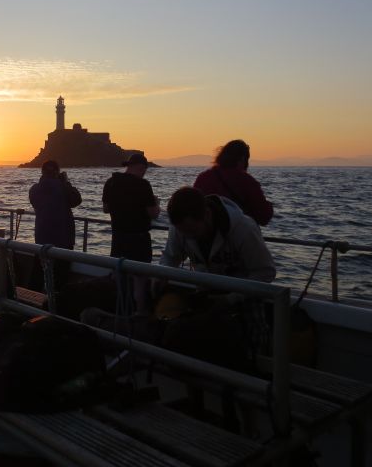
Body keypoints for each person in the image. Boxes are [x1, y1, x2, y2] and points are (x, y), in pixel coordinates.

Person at [159, 187, 276, 358]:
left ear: (206, 214)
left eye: (193, 231)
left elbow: (265, 272)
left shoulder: (243, 229)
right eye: (184, 233)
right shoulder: (180, 229)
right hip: (205, 295)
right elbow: (171, 257)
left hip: (244, 297)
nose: (189, 237)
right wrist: (161, 275)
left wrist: (230, 299)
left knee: (251, 352)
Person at [102, 153, 160, 313]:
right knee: (140, 281)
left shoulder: (111, 182)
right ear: (141, 167)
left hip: (118, 238)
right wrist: (156, 203)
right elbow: (153, 214)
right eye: (144, 169)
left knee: (119, 277)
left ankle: (118, 313)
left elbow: (106, 209)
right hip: (139, 239)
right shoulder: (143, 185)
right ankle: (139, 316)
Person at [28, 160, 82, 289]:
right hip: (63, 240)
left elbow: (37, 203)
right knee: (60, 278)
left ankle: (30, 303)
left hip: (42, 239)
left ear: (42, 172)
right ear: (57, 172)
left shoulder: (34, 189)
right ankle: (55, 305)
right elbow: (77, 200)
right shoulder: (63, 187)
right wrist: (65, 182)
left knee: (38, 274)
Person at [193, 139, 273, 226]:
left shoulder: (203, 178)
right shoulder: (247, 181)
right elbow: (264, 217)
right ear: (242, 159)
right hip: (238, 235)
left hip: (209, 236)